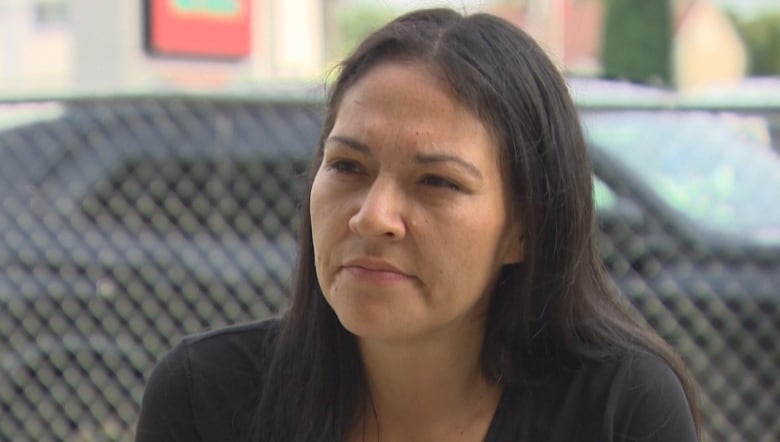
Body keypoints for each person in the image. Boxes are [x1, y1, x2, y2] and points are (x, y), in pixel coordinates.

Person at [134, 7, 700, 442]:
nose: (373, 216)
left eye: (437, 182)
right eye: (347, 167)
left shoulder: (618, 410)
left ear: (524, 228)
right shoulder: (206, 397)